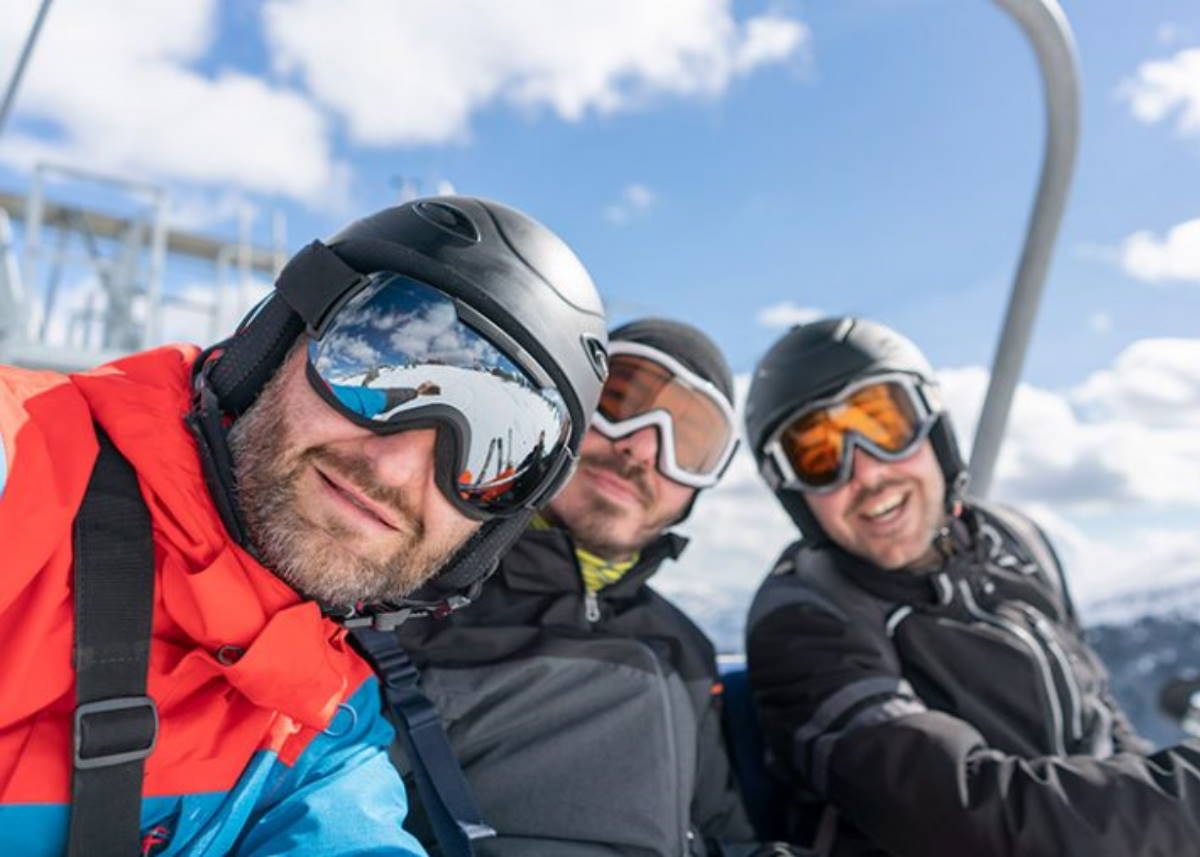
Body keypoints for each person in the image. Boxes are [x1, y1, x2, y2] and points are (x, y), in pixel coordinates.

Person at [0, 196, 608, 856]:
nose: (399, 466)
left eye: (492, 451)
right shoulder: (25, 466)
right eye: (374, 367)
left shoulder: (325, 731)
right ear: (274, 343)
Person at [742, 316, 1200, 857]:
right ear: (795, 496)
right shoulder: (803, 620)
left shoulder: (1015, 541)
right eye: (819, 457)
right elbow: (962, 809)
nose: (864, 474)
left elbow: (1099, 713)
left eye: (884, 425)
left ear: (934, 429)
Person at [394, 319, 800, 856]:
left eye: (689, 443)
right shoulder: (411, 594)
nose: (642, 448)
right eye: (622, 402)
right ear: (565, 409)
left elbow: (717, 834)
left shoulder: (685, 649)